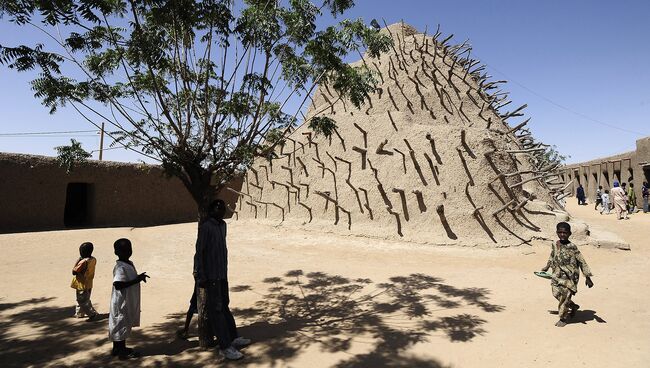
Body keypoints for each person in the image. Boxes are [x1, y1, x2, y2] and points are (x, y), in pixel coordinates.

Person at [194, 199, 250, 360]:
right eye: (217, 208)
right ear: (212, 210)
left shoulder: (223, 225)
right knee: (216, 310)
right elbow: (200, 251)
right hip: (211, 276)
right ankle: (225, 346)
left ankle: (233, 337)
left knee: (225, 304)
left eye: (223, 208)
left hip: (222, 273)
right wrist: (201, 274)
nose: (221, 211)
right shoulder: (206, 227)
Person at [540, 222, 594, 327]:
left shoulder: (572, 247)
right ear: (557, 233)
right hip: (556, 274)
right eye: (560, 232)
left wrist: (587, 277)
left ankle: (563, 318)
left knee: (564, 297)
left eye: (565, 232)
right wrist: (547, 267)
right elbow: (552, 256)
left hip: (570, 277)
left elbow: (581, 261)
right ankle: (573, 306)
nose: (562, 234)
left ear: (569, 233)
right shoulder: (555, 244)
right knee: (556, 294)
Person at [108, 238, 149, 359]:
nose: (128, 252)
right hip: (121, 302)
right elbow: (118, 284)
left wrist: (138, 277)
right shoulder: (121, 268)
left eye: (129, 249)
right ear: (116, 252)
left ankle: (117, 348)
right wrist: (136, 280)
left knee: (120, 324)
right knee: (121, 325)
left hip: (125, 301)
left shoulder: (128, 264)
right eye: (124, 250)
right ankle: (122, 351)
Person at [70, 242, 98, 320]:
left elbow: (74, 271)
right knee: (85, 298)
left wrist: (78, 260)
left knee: (82, 300)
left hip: (82, 284)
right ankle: (79, 313)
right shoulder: (93, 259)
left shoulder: (82, 262)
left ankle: (92, 314)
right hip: (89, 282)